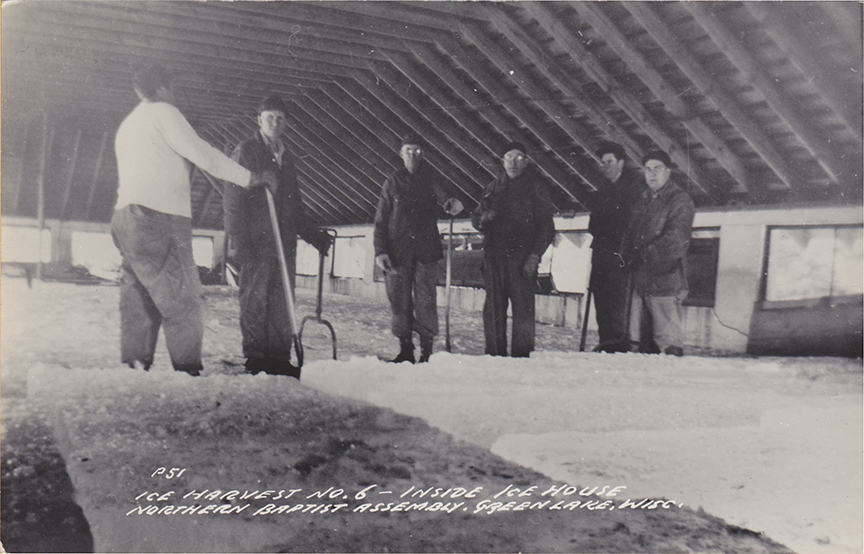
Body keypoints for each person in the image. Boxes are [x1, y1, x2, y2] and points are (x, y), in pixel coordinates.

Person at [112, 64, 276, 376]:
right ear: (162, 89)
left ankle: (134, 366)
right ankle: (187, 371)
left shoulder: (130, 123)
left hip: (125, 218)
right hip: (159, 218)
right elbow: (205, 155)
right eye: (171, 89)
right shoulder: (165, 112)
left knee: (138, 295)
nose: (173, 95)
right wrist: (250, 178)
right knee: (183, 298)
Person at [223, 95, 333, 379]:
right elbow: (233, 200)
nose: (275, 122)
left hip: (283, 243)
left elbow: (294, 205)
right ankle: (257, 358)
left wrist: (311, 235)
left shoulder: (287, 156)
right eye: (270, 117)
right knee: (255, 301)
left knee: (282, 302)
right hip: (256, 242)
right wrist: (240, 243)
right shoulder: (246, 151)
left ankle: (279, 357)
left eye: (280, 118)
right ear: (259, 121)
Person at [373, 133, 463, 363]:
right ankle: (405, 349)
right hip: (397, 253)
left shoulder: (431, 178)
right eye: (409, 151)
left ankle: (426, 351)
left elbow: (446, 197)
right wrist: (380, 251)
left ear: (423, 155)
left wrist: (451, 203)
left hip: (425, 251)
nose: (413, 155)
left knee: (425, 300)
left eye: (417, 151)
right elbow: (381, 221)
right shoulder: (392, 182)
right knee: (399, 301)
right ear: (401, 154)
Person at [472, 142, 556, 358]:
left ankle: (522, 358)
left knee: (523, 312)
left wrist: (535, 256)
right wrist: (483, 219)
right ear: (502, 161)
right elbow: (476, 217)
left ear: (526, 162)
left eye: (519, 158)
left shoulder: (537, 189)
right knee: (493, 311)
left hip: (521, 261)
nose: (513, 163)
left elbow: (547, 228)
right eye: (509, 157)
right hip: (494, 259)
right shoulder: (492, 188)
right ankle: (494, 355)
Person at [620, 150, 695, 357]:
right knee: (637, 342)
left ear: (668, 172)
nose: (652, 174)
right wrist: (624, 257)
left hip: (665, 281)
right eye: (648, 170)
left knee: (667, 342)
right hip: (639, 280)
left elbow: (676, 240)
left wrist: (643, 255)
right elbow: (630, 234)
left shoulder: (680, 200)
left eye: (658, 169)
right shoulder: (643, 200)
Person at [587, 142, 645, 353]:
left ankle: (619, 344)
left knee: (618, 303)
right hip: (601, 255)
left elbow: (629, 225)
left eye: (609, 162)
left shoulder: (633, 189)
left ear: (621, 163)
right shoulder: (602, 191)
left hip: (620, 255)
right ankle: (606, 342)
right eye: (602, 163)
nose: (605, 167)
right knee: (600, 301)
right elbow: (593, 225)